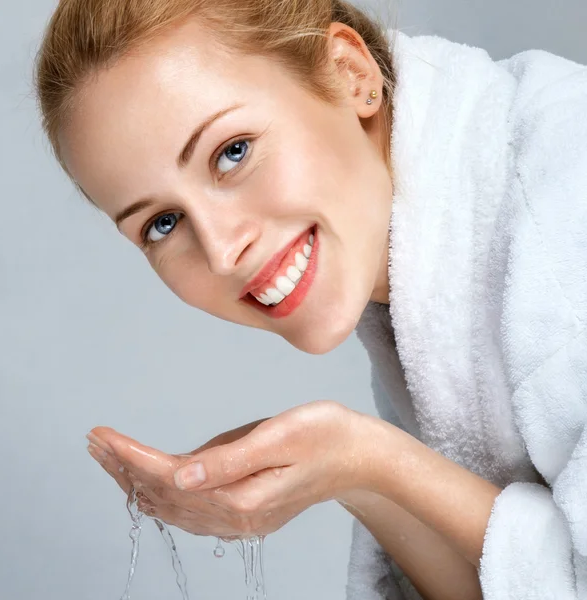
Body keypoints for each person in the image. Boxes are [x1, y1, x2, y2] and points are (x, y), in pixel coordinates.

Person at [34, 1, 587, 599]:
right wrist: (357, 471)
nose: (223, 253)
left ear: (351, 75)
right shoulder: (418, 288)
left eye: (232, 152)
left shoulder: (565, 200)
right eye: (163, 223)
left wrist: (370, 459)